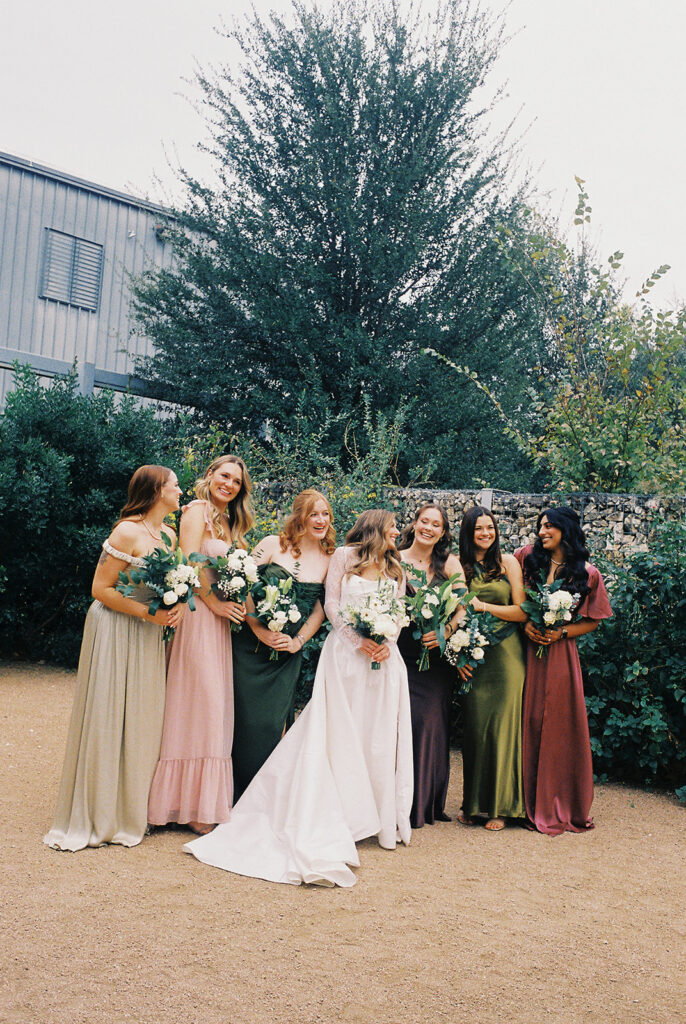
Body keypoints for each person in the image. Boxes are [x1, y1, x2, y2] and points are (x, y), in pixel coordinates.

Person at [184, 509, 413, 887]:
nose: (397, 533)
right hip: (346, 658)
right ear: (375, 526)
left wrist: (385, 641)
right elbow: (334, 604)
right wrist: (359, 641)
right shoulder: (343, 556)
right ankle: (334, 810)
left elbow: (399, 612)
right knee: (339, 731)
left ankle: (375, 814)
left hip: (384, 663)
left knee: (378, 736)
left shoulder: (397, 568)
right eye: (392, 527)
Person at [44, 466, 184, 851]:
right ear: (156, 491)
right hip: (116, 629)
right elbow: (99, 588)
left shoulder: (169, 536)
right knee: (108, 713)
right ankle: (99, 811)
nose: (180, 490)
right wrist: (147, 613)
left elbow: (168, 587)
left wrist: (174, 607)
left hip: (148, 634)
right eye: (175, 485)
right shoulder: (127, 531)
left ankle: (130, 808)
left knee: (142, 715)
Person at [147, 455, 254, 835]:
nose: (229, 485)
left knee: (215, 706)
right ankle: (182, 804)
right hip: (197, 615)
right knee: (199, 702)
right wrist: (216, 604)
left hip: (218, 622)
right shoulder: (195, 512)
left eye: (236, 482)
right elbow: (188, 567)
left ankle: (200, 801)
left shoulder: (228, 522)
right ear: (209, 476)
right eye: (224, 476)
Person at [231, 489, 334, 800]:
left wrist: (298, 640)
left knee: (271, 723)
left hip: (287, 654)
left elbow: (319, 608)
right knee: (242, 719)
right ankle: (230, 795)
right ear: (299, 516)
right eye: (314, 514)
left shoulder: (330, 557)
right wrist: (257, 628)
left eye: (325, 514)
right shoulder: (271, 545)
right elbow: (242, 583)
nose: (320, 520)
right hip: (249, 648)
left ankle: (261, 797)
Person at [515, 507, 612, 836]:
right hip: (524, 650)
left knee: (558, 722)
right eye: (539, 525)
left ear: (565, 529)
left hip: (560, 655)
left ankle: (560, 801)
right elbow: (514, 596)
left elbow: (593, 620)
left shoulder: (587, 572)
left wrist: (561, 633)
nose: (541, 531)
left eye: (549, 526)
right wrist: (527, 623)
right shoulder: (525, 557)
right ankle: (518, 801)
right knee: (525, 718)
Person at [457, 506, 527, 831]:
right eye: (479, 529)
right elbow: (452, 612)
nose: (486, 534)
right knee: (475, 728)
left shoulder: (508, 562)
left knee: (503, 730)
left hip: (507, 657)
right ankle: (472, 804)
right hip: (474, 655)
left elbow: (522, 610)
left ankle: (501, 807)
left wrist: (484, 606)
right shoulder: (460, 567)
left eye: (490, 528)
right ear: (469, 533)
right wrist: (458, 656)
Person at [396, 503, 464, 827]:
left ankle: (424, 803)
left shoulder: (449, 563)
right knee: (401, 722)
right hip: (402, 652)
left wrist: (445, 631)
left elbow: (463, 606)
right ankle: (396, 799)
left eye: (436, 524)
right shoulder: (395, 558)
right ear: (415, 523)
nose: (429, 528)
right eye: (425, 521)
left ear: (443, 531)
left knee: (430, 722)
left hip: (435, 658)